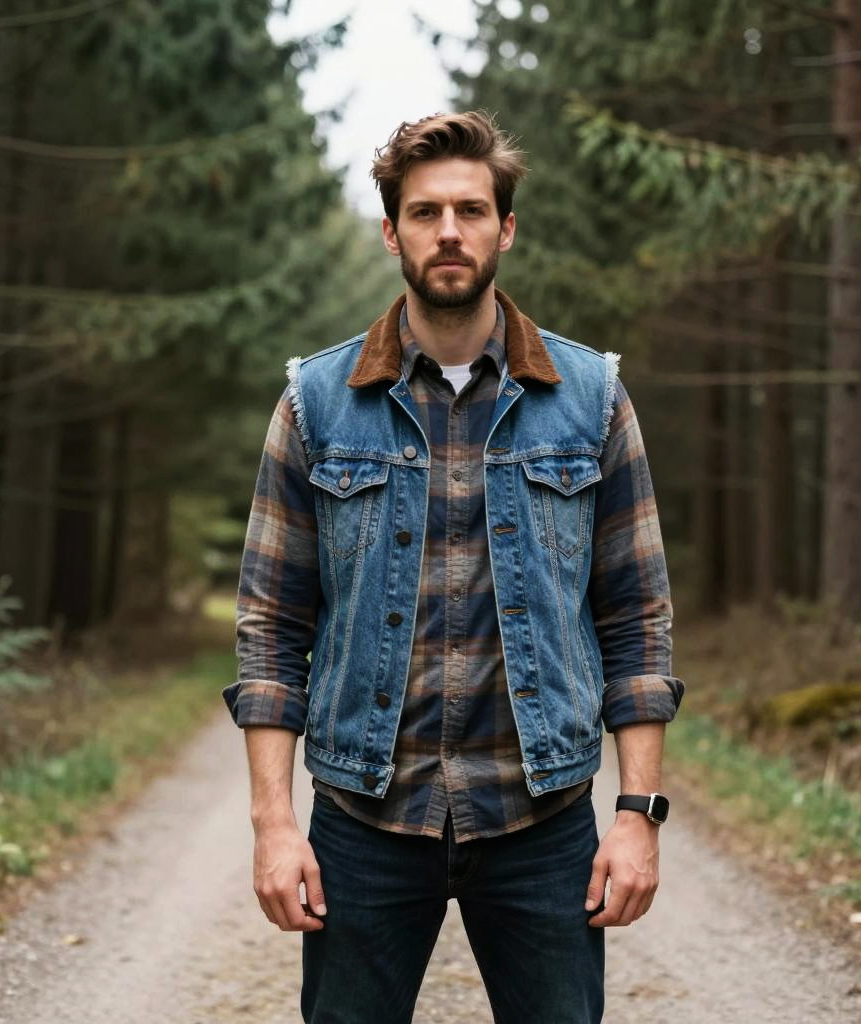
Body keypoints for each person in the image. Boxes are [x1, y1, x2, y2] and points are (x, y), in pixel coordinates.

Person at [222, 110, 684, 1024]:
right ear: (391, 231)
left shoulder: (591, 398)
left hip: (540, 816)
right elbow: (271, 627)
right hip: (365, 817)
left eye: (470, 210)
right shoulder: (316, 403)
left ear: (505, 229)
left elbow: (636, 616)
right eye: (425, 212)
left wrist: (636, 812)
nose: (448, 232)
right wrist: (274, 825)